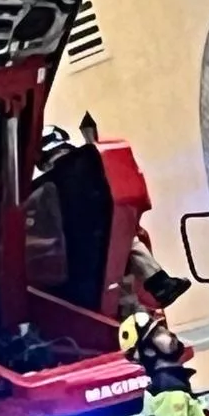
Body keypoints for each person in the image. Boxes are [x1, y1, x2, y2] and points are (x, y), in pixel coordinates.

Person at [35, 126, 192, 311]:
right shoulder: (82, 169)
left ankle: (154, 290)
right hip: (88, 245)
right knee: (125, 246)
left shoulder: (49, 185)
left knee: (120, 263)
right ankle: (157, 285)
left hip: (78, 251)